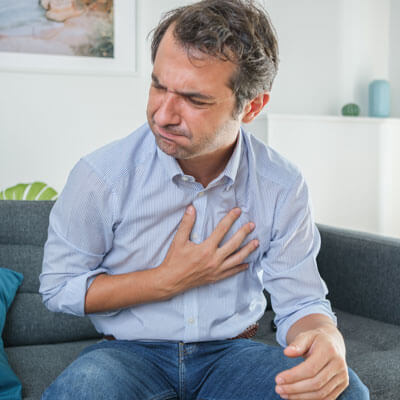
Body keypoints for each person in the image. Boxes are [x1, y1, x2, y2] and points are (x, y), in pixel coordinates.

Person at [39, 1, 370, 399]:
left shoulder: (281, 184)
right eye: (159, 85)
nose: (163, 115)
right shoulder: (101, 176)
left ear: (252, 107)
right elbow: (59, 289)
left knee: (345, 393)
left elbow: (300, 302)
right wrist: (166, 280)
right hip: (127, 356)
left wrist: (324, 335)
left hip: (232, 356)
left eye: (195, 100)